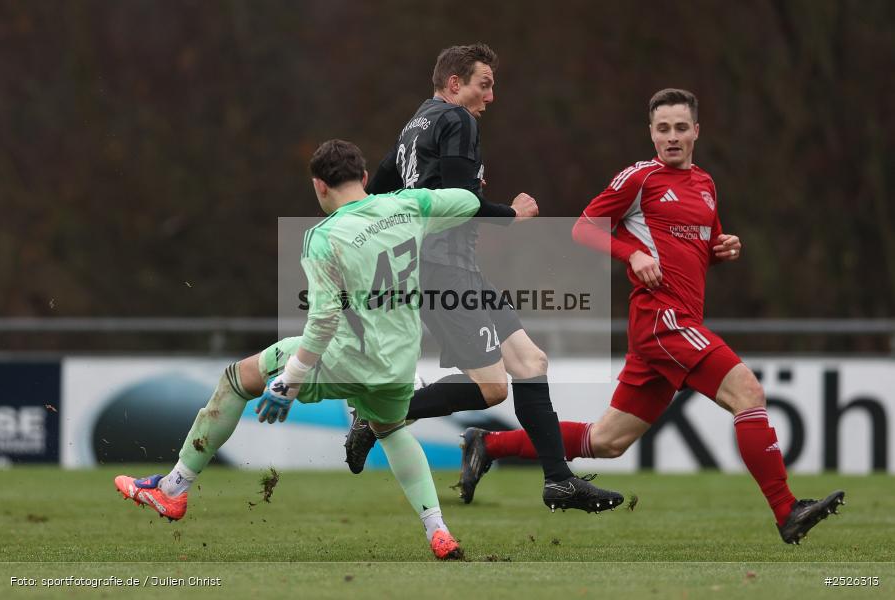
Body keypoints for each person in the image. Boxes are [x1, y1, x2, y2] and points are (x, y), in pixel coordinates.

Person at [457, 88, 845, 544]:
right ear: (652, 133)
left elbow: (696, 251)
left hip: (674, 327)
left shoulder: (705, 184)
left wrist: (722, 250)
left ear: (697, 131)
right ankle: (786, 511)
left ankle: (488, 444)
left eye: (682, 128)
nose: (673, 137)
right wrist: (631, 254)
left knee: (607, 441)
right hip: (662, 321)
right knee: (748, 391)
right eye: (663, 129)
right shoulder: (640, 178)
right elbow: (583, 226)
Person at [114, 139, 483, 560]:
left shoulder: (323, 237)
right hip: (399, 364)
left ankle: (173, 489)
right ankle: (438, 531)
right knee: (392, 430)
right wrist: (487, 197)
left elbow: (323, 320)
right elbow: (467, 201)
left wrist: (290, 379)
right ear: (364, 178)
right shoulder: (406, 206)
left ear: (319, 187)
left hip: (344, 356)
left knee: (236, 381)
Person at [343, 42, 623, 513]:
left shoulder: (414, 126)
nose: (490, 97)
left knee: (531, 363)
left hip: (448, 267)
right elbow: (459, 202)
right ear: (455, 83)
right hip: (444, 268)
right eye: (484, 84)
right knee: (492, 387)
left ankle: (558, 481)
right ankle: (375, 414)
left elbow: (378, 194)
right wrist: (512, 212)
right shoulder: (458, 120)